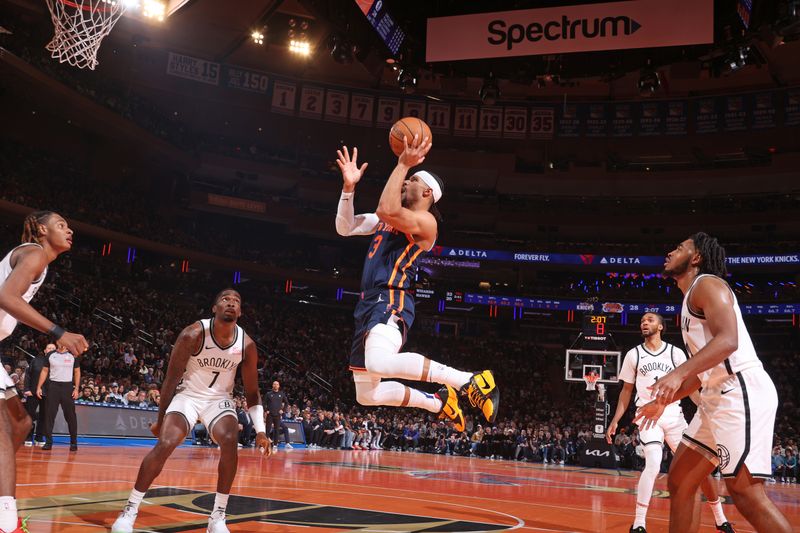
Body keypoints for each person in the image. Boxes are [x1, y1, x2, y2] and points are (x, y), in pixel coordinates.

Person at [334, 138, 499, 431]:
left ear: (425, 191)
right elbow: (344, 227)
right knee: (366, 395)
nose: (404, 181)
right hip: (367, 304)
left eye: (410, 180)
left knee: (378, 364)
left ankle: (468, 379)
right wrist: (348, 189)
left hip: (391, 299)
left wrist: (403, 163)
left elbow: (387, 209)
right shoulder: (386, 220)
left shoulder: (426, 222)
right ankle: (438, 402)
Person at [635, 233, 791, 533]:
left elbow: (728, 340)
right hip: (715, 396)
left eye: (679, 247)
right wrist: (663, 400)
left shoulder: (707, 284)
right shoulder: (688, 299)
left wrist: (676, 373)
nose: (670, 251)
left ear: (695, 258)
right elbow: (701, 372)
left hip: (740, 390)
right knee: (681, 481)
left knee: (746, 493)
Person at [111, 289, 270, 533]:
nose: (231, 303)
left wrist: (260, 430)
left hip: (219, 400)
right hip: (189, 396)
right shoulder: (193, 334)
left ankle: (217, 517)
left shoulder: (246, 345)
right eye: (225, 299)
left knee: (230, 440)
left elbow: (251, 392)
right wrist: (160, 419)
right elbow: (171, 379)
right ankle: (130, 510)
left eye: (236, 301)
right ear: (214, 308)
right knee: (166, 442)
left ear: (241, 311)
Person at [0, 211, 89, 533]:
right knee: (3, 427)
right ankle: (5, 520)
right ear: (42, 229)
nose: (70, 229)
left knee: (21, 423)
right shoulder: (35, 253)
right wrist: (58, 332)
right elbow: (6, 297)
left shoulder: (37, 259)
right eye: (62, 224)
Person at [607, 312, 733, 533]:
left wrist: (705, 406)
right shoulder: (633, 355)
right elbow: (626, 391)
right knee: (653, 463)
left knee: (699, 469)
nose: (644, 323)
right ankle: (638, 523)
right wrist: (615, 420)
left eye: (650, 320)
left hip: (674, 416)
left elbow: (690, 385)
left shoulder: (675, 353)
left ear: (661, 327)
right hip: (648, 417)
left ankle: (720, 519)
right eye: (642, 321)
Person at [37, 345, 80, 451]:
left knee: (70, 416)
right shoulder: (50, 355)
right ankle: (48, 442)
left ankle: (73, 443)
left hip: (67, 387)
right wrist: (39, 387)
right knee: (49, 415)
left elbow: (77, 372)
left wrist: (77, 388)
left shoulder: (73, 355)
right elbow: (44, 371)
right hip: (53, 386)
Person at [22, 343, 51, 446]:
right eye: (49, 348)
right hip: (33, 392)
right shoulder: (37, 360)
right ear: (45, 350)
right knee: (29, 415)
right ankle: (28, 436)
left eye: (53, 348)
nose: (51, 349)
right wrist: (26, 389)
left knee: (44, 416)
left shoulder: (57, 363)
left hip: (48, 393)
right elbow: (28, 375)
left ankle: (39, 437)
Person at [264, 380, 290, 449]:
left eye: (277, 384)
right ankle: (265, 444)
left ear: (279, 386)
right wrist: (266, 410)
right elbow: (264, 403)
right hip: (270, 414)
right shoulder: (268, 394)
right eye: (274, 384)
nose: (275, 385)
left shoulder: (281, 394)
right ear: (272, 385)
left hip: (278, 415)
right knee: (267, 429)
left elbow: (287, 403)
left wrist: (283, 410)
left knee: (276, 430)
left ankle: (275, 445)